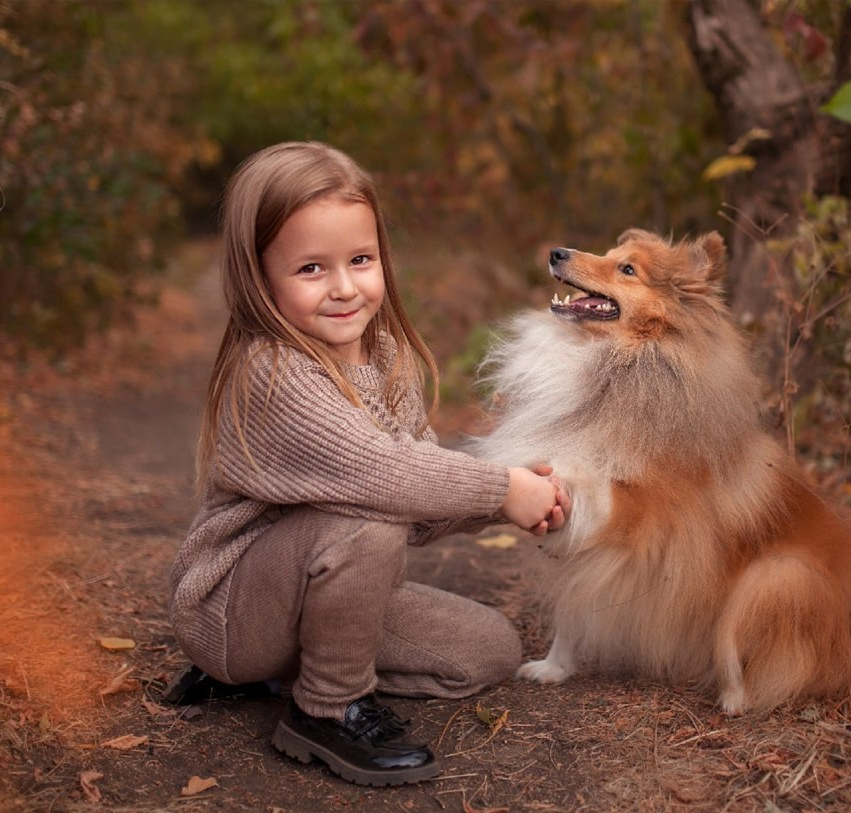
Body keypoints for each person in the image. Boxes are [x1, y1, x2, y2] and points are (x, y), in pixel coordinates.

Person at [168, 141, 566, 787]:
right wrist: (500, 488)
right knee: (363, 523)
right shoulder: (272, 371)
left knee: (485, 651)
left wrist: (515, 497)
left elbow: (414, 508)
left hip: (321, 588)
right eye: (311, 268)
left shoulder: (387, 360)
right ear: (257, 273)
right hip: (234, 613)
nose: (345, 287)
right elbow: (383, 475)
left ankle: (311, 667)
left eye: (360, 259)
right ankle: (325, 708)